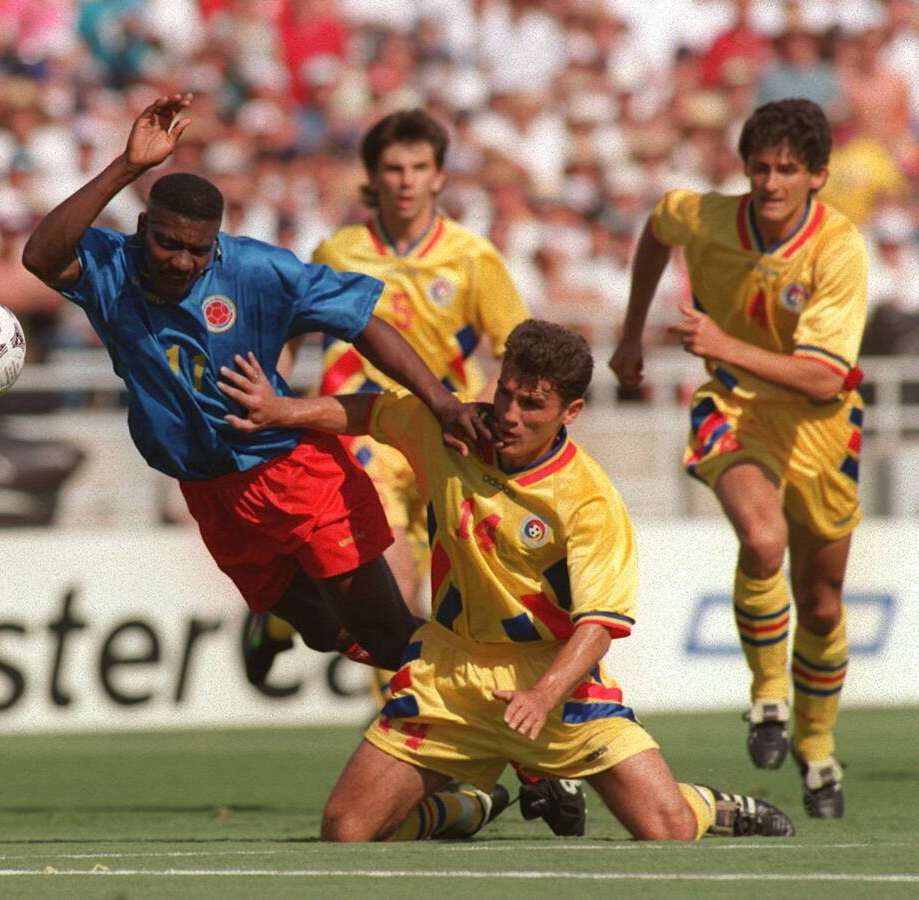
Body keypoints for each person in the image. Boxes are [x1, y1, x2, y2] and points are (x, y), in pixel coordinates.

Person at [217, 319, 795, 843]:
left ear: (570, 412)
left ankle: (708, 805)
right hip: (448, 673)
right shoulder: (454, 430)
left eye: (533, 405)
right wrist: (283, 410)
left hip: (551, 679)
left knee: (665, 830)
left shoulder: (588, 499)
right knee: (346, 831)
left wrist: (542, 698)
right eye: (506, 394)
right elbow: (373, 412)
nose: (511, 415)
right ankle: (469, 806)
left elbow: (599, 626)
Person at [21, 93, 484, 673]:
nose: (183, 262)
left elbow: (365, 321)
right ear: (144, 227)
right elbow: (40, 256)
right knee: (319, 631)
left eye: (198, 249)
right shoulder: (111, 266)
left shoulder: (258, 270)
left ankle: (512, 714)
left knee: (390, 639)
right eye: (168, 244)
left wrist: (440, 402)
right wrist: (129, 166)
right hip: (208, 491)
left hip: (291, 471)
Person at [608, 98, 866, 819]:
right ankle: (769, 701)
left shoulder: (838, 248)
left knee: (821, 603)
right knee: (761, 538)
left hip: (820, 426)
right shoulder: (707, 216)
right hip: (734, 410)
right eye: (760, 168)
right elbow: (658, 229)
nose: (772, 183)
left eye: (788, 170)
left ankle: (817, 749)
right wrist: (631, 335)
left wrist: (721, 343)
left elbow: (823, 375)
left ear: (817, 175)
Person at [243, 108, 529, 684]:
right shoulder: (337, 251)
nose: (405, 181)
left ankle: (281, 622)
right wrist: (270, 395)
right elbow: (289, 335)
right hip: (360, 432)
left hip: (444, 440)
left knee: (434, 599)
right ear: (373, 178)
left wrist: (494, 418)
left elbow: (513, 352)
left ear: (439, 177)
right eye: (393, 168)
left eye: (418, 167)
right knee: (391, 598)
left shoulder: (473, 258)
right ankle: (415, 753)